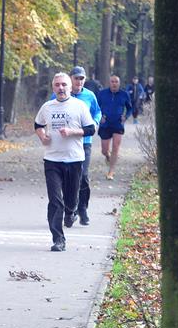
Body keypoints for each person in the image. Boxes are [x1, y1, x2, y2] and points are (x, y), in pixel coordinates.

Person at [35, 72, 96, 252]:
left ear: (70, 87)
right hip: (52, 160)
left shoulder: (79, 106)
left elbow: (91, 129)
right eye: (57, 85)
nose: (60, 88)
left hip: (74, 159)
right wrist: (42, 136)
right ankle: (58, 239)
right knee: (55, 201)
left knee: (70, 200)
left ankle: (71, 212)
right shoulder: (47, 107)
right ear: (53, 88)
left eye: (64, 85)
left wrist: (72, 132)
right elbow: (38, 125)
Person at [68, 66, 102, 226]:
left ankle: (82, 208)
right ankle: (71, 209)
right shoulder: (62, 93)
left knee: (83, 176)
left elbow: (97, 112)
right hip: (67, 142)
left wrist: (95, 123)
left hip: (85, 141)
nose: (79, 81)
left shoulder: (89, 95)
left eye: (82, 78)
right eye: (76, 78)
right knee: (69, 177)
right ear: (71, 79)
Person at [97, 75, 132, 180]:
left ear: (119, 83)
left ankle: (111, 171)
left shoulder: (124, 94)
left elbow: (130, 108)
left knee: (115, 148)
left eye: (116, 82)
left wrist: (125, 116)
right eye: (112, 81)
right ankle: (107, 156)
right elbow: (96, 108)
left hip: (118, 124)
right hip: (105, 124)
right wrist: (100, 117)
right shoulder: (102, 94)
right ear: (109, 83)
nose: (114, 83)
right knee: (104, 150)